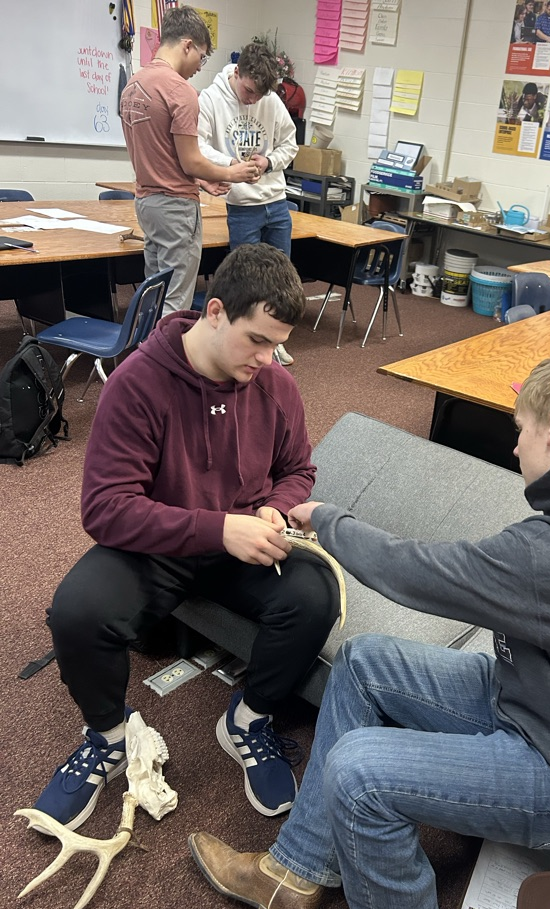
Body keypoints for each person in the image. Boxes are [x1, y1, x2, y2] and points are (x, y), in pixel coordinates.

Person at [188, 348, 550, 909]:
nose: (516, 449)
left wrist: (325, 518)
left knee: (359, 768)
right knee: (366, 661)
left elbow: (418, 573)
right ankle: (296, 877)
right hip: (548, 709)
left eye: (519, 431)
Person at [33, 244, 340, 832]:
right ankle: (108, 736)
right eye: (256, 339)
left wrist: (275, 511)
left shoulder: (276, 386)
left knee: (315, 595)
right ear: (216, 310)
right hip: (165, 545)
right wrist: (216, 528)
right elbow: (104, 509)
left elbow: (298, 470)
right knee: (77, 612)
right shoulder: (136, 384)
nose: (267, 357)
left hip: (242, 542)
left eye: (277, 343)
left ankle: (249, 719)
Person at [119, 6, 258, 315]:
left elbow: (164, 154)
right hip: (175, 208)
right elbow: (191, 161)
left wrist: (201, 178)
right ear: (187, 45)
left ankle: (147, 357)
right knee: (176, 299)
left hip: (147, 202)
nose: (200, 66)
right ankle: (165, 364)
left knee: (154, 290)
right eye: (202, 56)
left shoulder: (133, 86)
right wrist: (232, 173)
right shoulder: (180, 91)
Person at [198, 42, 299, 365]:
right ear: (237, 72)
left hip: (276, 201)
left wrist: (268, 162)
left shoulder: (269, 99)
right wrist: (231, 165)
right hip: (242, 206)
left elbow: (290, 143)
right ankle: (240, 342)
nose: (253, 99)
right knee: (246, 282)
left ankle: (273, 341)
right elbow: (196, 147)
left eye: (260, 94)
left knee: (281, 279)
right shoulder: (210, 100)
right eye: (250, 90)